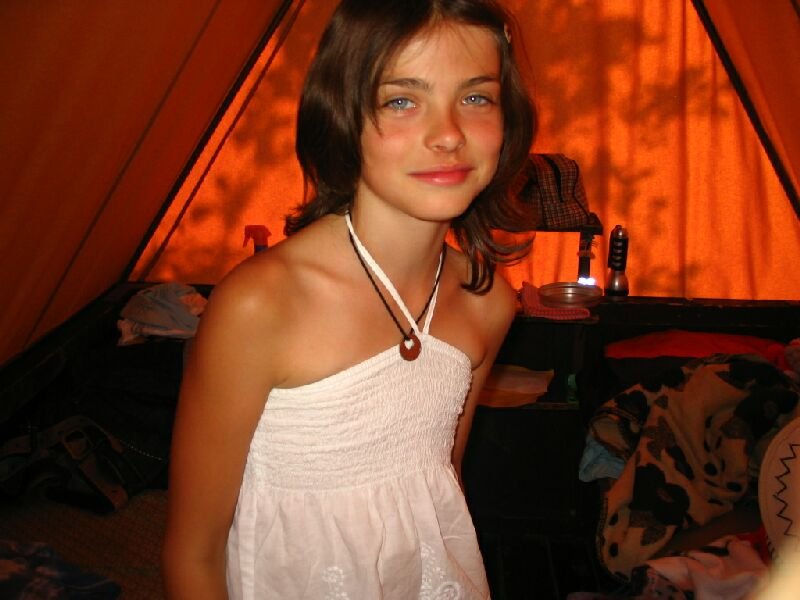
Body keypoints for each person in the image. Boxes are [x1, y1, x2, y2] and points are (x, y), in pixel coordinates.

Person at [162, 0, 536, 597]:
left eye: (476, 97)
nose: (448, 134)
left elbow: (440, 486)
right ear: (341, 116)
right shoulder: (262, 305)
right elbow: (193, 554)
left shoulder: (488, 303)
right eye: (401, 100)